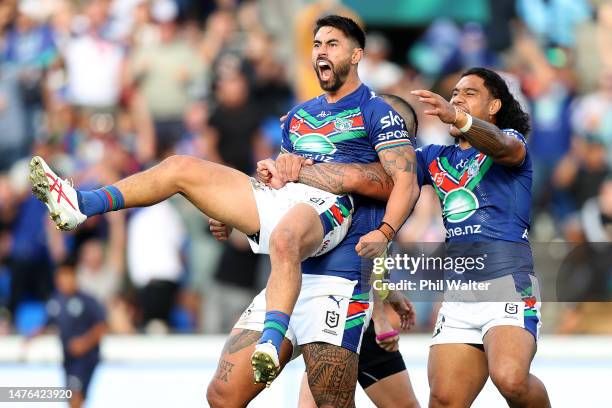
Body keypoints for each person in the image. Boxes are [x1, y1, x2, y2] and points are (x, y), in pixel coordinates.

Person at [29, 14, 419, 388]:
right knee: (178, 167)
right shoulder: (299, 116)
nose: (321, 51)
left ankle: (271, 339)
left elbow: (401, 182)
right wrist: (237, 209)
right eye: (317, 44)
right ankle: (80, 203)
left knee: (328, 391)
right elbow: (285, 181)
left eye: (333, 44)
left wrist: (386, 232)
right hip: (293, 215)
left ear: (356, 55)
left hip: (331, 219)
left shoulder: (378, 112)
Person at [278, 67, 551, 408]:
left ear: (494, 105)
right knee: (444, 400)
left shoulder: (511, 143)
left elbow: (503, 146)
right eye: (454, 94)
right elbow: (374, 175)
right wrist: (315, 136)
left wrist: (460, 119)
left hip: (508, 282)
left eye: (469, 93)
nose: (456, 99)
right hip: (459, 293)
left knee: (510, 379)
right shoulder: (433, 159)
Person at [209, 93, 421, 408]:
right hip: (301, 290)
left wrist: (381, 305)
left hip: (342, 301)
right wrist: (235, 214)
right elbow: (279, 194)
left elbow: (372, 246)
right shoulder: (325, 153)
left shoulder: (398, 175)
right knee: (225, 396)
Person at [46, 256, 107, 408]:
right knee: (73, 398)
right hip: (68, 359)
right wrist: (31, 337)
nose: (63, 281)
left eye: (67, 276)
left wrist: (84, 343)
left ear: (75, 276)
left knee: (75, 396)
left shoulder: (87, 300)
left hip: (85, 359)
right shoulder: (55, 301)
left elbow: (102, 326)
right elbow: (48, 324)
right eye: (60, 276)